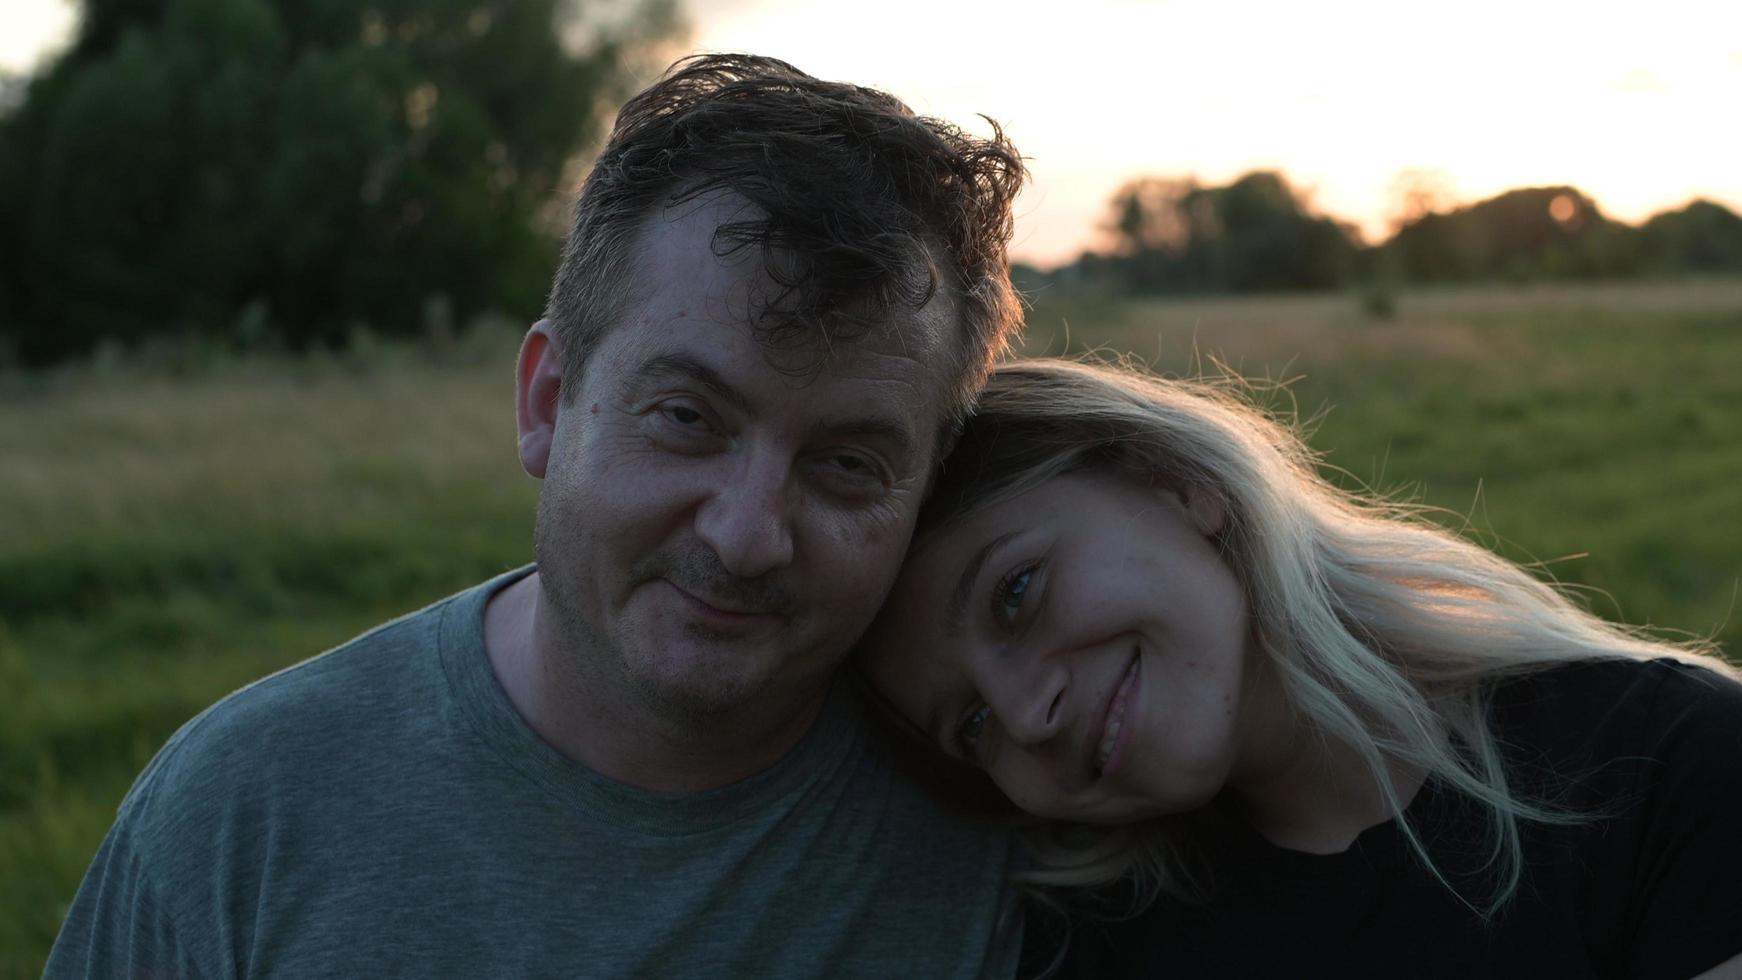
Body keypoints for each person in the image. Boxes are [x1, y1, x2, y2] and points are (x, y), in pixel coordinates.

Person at [48, 54, 1030, 977]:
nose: (744, 535)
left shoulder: (1015, 850)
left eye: (847, 465)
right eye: (686, 417)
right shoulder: (240, 812)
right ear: (546, 400)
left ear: (924, 492)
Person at [860, 357, 1742, 979]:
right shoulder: (1097, 939)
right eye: (969, 725)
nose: (1025, 714)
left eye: (1016, 592)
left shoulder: (1670, 770)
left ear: (1173, 483)